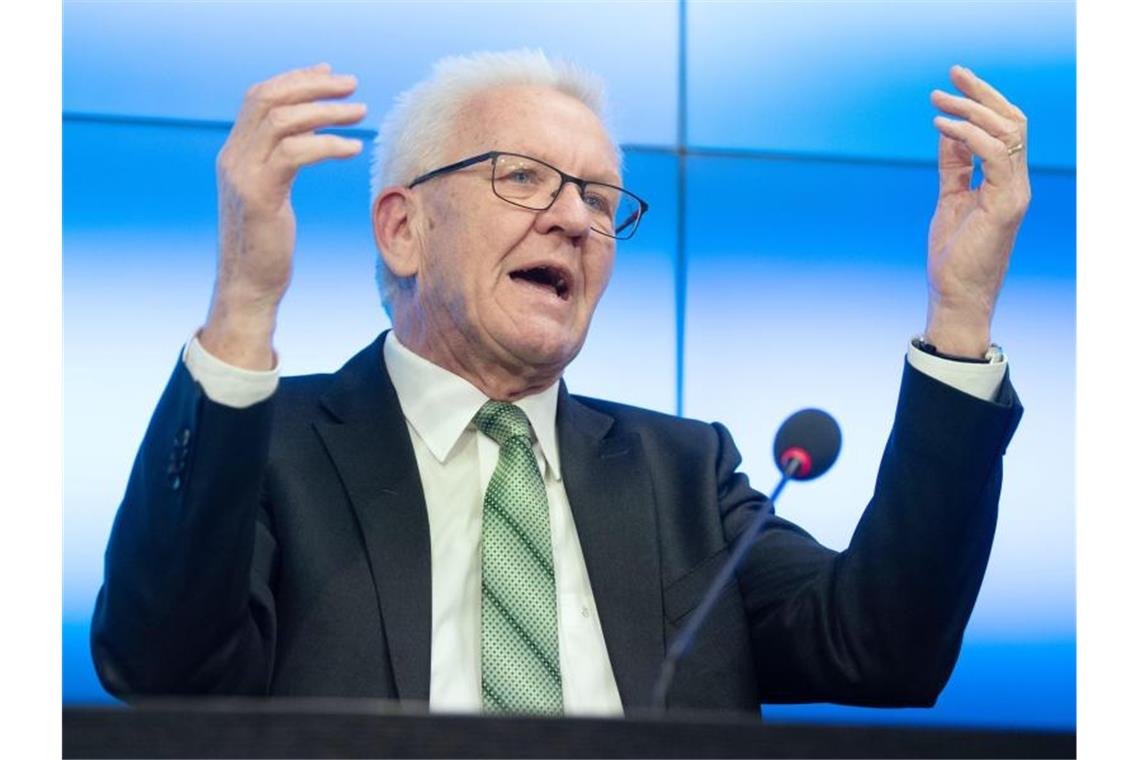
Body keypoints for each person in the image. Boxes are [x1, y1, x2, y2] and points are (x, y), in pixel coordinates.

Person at [91, 50, 1027, 716]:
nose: (575, 220)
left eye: (600, 197)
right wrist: (245, 304)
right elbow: (159, 665)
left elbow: (886, 648)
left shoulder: (682, 473)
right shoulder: (273, 447)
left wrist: (961, 313)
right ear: (403, 229)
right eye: (525, 179)